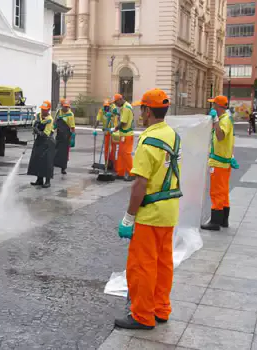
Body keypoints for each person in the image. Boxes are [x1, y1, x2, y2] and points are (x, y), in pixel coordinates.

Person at [115, 88, 182, 330]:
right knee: (164, 264)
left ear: (146, 110)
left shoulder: (147, 141)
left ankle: (143, 315)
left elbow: (140, 184)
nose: (139, 113)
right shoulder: (173, 135)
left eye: (140, 109)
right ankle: (161, 309)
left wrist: (128, 217)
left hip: (150, 214)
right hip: (170, 211)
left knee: (142, 265)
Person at [201, 96, 236, 231]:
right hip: (224, 161)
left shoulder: (224, 120)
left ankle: (215, 222)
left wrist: (215, 120)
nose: (212, 107)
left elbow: (221, 137)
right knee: (223, 191)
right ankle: (223, 220)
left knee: (216, 192)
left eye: (213, 105)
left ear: (218, 106)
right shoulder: (225, 119)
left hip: (219, 163)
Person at [28, 101, 55, 188]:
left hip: (47, 141)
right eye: (42, 109)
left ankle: (47, 181)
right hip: (39, 141)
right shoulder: (38, 115)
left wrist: (38, 131)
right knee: (37, 159)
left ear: (49, 110)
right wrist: (34, 126)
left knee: (47, 162)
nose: (43, 111)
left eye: (45, 110)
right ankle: (39, 180)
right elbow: (34, 123)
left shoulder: (49, 119)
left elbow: (46, 133)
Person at [112, 94, 135, 181]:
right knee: (121, 153)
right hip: (124, 134)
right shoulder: (125, 106)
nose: (115, 104)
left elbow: (124, 123)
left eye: (115, 102)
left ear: (120, 100)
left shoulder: (125, 107)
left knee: (126, 154)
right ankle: (120, 173)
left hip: (127, 135)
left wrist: (115, 128)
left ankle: (132, 174)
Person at [94, 100, 118, 170]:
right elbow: (98, 120)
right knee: (106, 148)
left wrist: (112, 105)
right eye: (105, 106)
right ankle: (107, 163)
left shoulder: (113, 109)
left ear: (109, 106)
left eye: (107, 106)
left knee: (113, 148)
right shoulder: (101, 111)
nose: (106, 108)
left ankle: (112, 163)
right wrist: (94, 129)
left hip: (114, 132)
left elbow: (115, 111)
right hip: (107, 132)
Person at [54, 100, 76, 174]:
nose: (66, 108)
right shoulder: (58, 112)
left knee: (65, 153)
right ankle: (55, 164)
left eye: (67, 107)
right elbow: (55, 122)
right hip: (59, 135)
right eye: (65, 106)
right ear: (62, 105)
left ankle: (63, 168)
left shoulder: (70, 114)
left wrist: (73, 137)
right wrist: (52, 129)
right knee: (56, 150)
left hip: (66, 135)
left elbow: (72, 127)